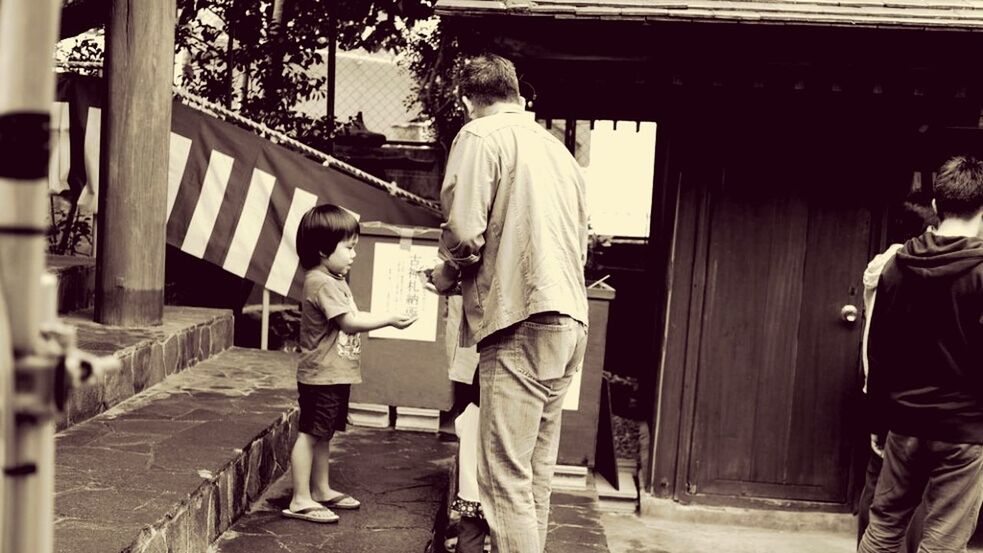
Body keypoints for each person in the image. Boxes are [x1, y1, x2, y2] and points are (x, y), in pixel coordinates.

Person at [429, 53, 590, 553]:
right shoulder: (558, 149)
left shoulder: (480, 135)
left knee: (503, 483)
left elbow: (463, 232)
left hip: (520, 316)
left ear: (466, 101)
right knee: (534, 479)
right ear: (518, 94)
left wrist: (447, 272)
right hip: (570, 319)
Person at [858, 156, 983, 552]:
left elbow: (879, 351)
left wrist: (879, 419)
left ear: (934, 205)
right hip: (964, 429)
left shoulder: (896, 265)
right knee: (943, 540)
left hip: (905, 421)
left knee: (884, 528)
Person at [282, 204, 417, 523]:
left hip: (333, 374)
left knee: (324, 433)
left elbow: (351, 317)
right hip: (321, 376)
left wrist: (387, 318)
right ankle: (301, 498)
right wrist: (389, 320)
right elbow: (349, 323)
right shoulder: (322, 281)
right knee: (311, 434)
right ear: (322, 250)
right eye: (348, 247)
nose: (354, 254)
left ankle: (321, 489)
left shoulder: (332, 277)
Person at [856, 193, 938, 550]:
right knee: (911, 490)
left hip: (878, 383)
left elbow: (877, 339)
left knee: (878, 483)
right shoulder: (910, 267)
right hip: (912, 393)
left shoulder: (883, 264)